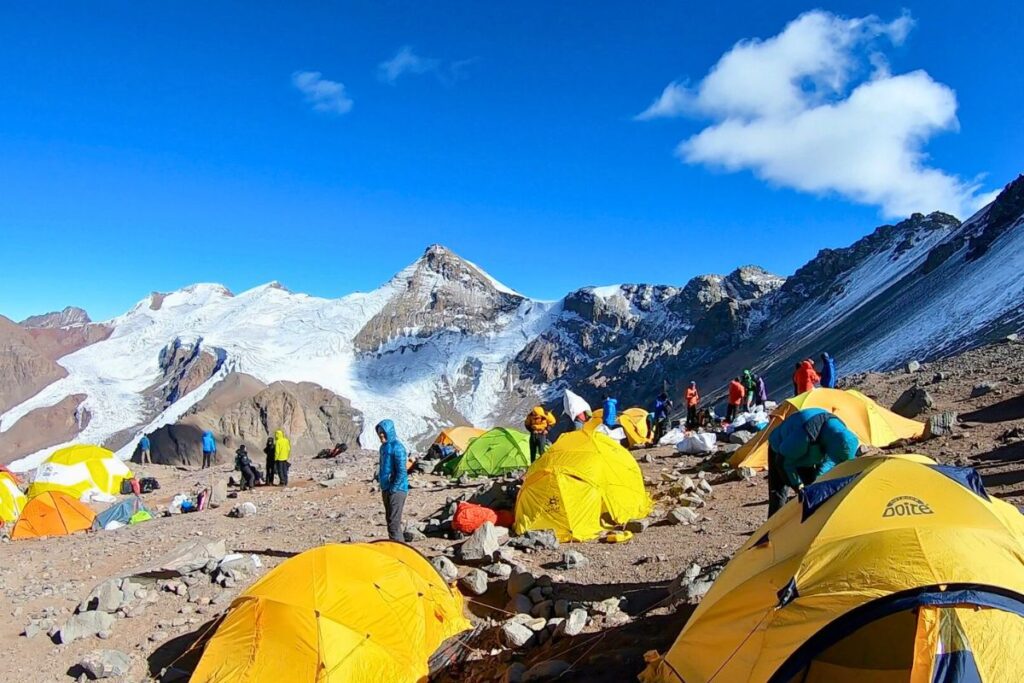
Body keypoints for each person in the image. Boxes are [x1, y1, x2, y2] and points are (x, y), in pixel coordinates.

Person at [767, 408, 860, 517]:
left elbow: (829, 462)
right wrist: (797, 485)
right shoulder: (803, 436)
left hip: (808, 455)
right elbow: (783, 461)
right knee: (779, 494)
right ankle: (772, 531)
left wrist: (818, 480)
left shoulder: (842, 437)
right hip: (781, 453)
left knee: (814, 491)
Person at [376, 419, 409, 542]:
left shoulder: (398, 448)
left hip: (397, 490)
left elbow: (402, 471)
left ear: (389, 432)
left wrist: (393, 488)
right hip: (387, 488)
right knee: (390, 522)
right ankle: (396, 547)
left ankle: (401, 551)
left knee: (394, 524)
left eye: (383, 432)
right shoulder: (383, 448)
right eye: (379, 433)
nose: (381, 435)